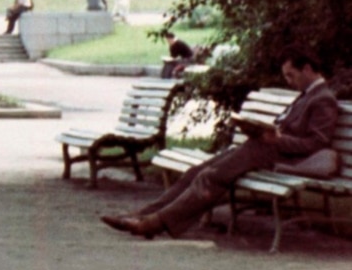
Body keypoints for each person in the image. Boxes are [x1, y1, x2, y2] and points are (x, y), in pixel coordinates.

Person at [103, 52, 340, 239]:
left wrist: (277, 139)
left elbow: (316, 143)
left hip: (284, 159)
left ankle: (155, 223)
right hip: (264, 150)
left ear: (307, 68)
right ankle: (143, 214)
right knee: (196, 172)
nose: (289, 82)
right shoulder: (307, 94)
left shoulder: (323, 99)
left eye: (291, 75)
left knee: (211, 177)